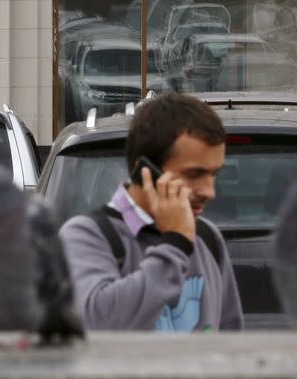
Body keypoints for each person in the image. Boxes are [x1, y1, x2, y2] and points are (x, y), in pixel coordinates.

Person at [59, 92, 244, 331]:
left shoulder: (207, 239)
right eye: (194, 175)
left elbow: (230, 341)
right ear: (145, 171)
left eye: (214, 174)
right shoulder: (86, 237)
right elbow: (99, 324)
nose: (209, 192)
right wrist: (174, 245)